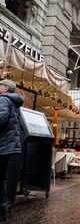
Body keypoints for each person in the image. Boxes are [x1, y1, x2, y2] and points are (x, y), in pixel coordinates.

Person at [0, 80, 24, 221]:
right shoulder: (14, 102)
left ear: (6, 89)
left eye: (0, 85)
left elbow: (1, 119)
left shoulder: (3, 100)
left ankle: (2, 209)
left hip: (2, 144)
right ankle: (2, 208)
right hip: (9, 145)